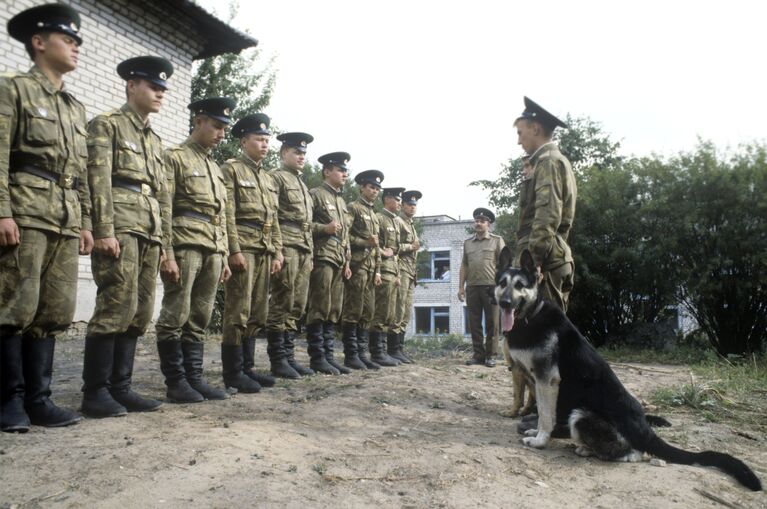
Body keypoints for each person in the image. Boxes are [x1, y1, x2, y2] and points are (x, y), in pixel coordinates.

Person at [1, 4, 92, 432]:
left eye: (77, 41)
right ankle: (9, 402)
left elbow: (81, 174)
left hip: (64, 217)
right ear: (38, 43)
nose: (75, 47)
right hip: (26, 210)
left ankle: (40, 399)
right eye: (67, 39)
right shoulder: (13, 89)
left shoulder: (75, 108)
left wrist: (87, 222)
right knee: (14, 306)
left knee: (53, 309)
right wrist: (2, 211)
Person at [80, 56, 173, 418]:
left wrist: (165, 244)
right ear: (131, 85)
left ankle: (121, 388)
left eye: (163, 89)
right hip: (120, 226)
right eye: (153, 86)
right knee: (114, 306)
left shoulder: (155, 140)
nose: (160, 93)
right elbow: (98, 179)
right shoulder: (107, 125)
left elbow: (160, 195)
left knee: (140, 310)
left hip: (148, 230)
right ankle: (96, 393)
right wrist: (103, 230)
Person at [155, 97, 234, 403]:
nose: (221, 134)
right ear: (199, 121)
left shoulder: (214, 167)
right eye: (216, 126)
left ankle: (194, 379)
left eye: (224, 128)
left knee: (200, 315)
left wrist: (224, 253)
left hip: (213, 248)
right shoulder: (175, 156)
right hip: (185, 243)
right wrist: (167, 252)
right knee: (177, 312)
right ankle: (176, 382)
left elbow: (221, 215)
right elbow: (165, 206)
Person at [220, 113, 282, 393]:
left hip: (265, 249)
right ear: (244, 141)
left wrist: (278, 252)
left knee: (258, 311)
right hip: (244, 247)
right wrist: (233, 249)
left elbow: (274, 219)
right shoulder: (231, 169)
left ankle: (248, 368)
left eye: (267, 140)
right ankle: (233, 373)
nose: (265, 144)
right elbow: (227, 213)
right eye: (259, 139)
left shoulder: (268, 179)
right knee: (238, 310)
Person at [514, 96, 576, 311]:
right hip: (551, 258)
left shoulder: (547, 161)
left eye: (520, 133)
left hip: (545, 264)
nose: (518, 141)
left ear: (536, 128)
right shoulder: (551, 160)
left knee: (547, 337)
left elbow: (547, 215)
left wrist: (534, 262)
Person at [265, 132, 315, 378]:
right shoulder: (277, 178)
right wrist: (277, 249)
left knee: (297, 305)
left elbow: (308, 223)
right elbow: (271, 215)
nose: (301, 157)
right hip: (287, 244)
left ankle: (289, 356)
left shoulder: (303, 184)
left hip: (304, 247)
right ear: (284, 153)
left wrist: (312, 253)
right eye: (297, 152)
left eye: (304, 153)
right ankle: (278, 360)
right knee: (282, 301)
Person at [305, 152, 353, 375]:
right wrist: (325, 229)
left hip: (339, 258)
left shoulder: (341, 201)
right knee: (320, 306)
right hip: (322, 255)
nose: (344, 174)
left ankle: (329, 356)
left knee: (334, 309)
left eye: (345, 170)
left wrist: (347, 260)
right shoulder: (315, 194)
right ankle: (317, 357)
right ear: (327, 171)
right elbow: (304, 225)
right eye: (340, 170)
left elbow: (346, 235)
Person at [340, 170, 384, 370]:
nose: (374, 191)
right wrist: (364, 242)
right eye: (371, 187)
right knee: (353, 310)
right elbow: (345, 236)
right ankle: (351, 355)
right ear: (362, 188)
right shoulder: (353, 208)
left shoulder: (374, 215)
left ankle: (361, 353)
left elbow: (376, 248)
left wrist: (377, 270)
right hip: (357, 266)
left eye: (377, 188)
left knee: (367, 311)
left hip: (370, 268)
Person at [458, 208, 505, 367]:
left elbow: (504, 264)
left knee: (493, 322)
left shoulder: (497, 241)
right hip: (472, 287)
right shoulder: (467, 243)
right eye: (476, 221)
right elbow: (464, 265)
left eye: (482, 221)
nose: (478, 223)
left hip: (491, 287)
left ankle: (491, 356)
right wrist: (461, 287)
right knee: (474, 322)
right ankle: (478, 355)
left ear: (488, 224)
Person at [369, 187, 405, 367]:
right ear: (387, 200)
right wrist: (379, 264)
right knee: (381, 312)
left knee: (390, 313)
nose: (399, 203)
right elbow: (374, 244)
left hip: (392, 271)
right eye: (397, 200)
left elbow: (396, 251)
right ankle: (377, 352)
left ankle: (383, 351)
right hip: (382, 269)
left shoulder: (396, 221)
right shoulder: (379, 218)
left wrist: (398, 273)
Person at [390, 190, 422, 363]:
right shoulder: (398, 221)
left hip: (410, 271)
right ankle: (392, 349)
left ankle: (399, 349)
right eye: (409, 204)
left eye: (415, 204)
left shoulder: (411, 224)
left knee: (406, 311)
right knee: (398, 308)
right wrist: (410, 247)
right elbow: (392, 246)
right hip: (400, 268)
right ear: (402, 205)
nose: (413, 207)